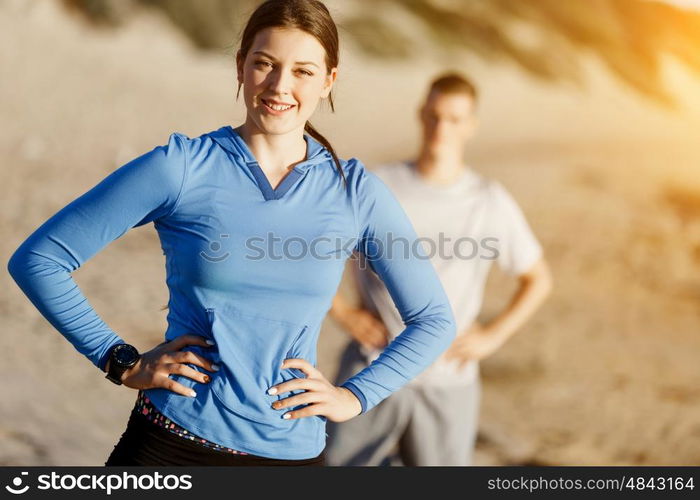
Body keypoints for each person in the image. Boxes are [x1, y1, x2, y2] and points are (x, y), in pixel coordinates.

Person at [6, 0, 457, 466]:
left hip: (291, 457)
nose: (280, 86)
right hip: (170, 446)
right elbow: (38, 260)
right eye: (265, 64)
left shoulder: (355, 192)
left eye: (303, 71)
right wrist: (120, 361)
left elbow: (433, 320)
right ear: (241, 66)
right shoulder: (180, 167)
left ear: (328, 81)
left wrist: (354, 397)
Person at [325, 72, 553, 466]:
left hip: (449, 378)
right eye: (433, 115)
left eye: (454, 119)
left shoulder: (488, 201)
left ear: (471, 126)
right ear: (420, 115)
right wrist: (344, 313)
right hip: (372, 368)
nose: (441, 127)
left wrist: (491, 337)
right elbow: (316, 251)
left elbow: (538, 279)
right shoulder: (378, 185)